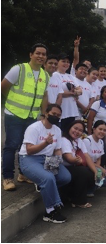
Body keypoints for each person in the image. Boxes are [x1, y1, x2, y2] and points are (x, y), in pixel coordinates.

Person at [2, 43, 50, 190]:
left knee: (26, 147)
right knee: (11, 146)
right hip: (14, 114)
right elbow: (4, 86)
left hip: (31, 117)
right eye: (38, 53)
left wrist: (43, 114)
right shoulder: (19, 69)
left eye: (43, 54)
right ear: (31, 54)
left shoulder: (45, 75)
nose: (41, 56)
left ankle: (23, 174)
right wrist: (12, 103)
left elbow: (44, 96)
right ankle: (7, 178)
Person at [18, 104, 71, 223]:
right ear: (46, 113)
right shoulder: (34, 128)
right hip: (29, 159)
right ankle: (50, 211)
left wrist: (57, 160)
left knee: (65, 177)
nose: (56, 117)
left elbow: (57, 149)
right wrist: (45, 143)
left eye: (58, 116)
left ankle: (41, 183)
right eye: (53, 114)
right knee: (48, 178)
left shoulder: (57, 130)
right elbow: (29, 150)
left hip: (48, 158)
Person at [60, 120, 96, 209]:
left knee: (91, 172)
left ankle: (75, 196)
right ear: (69, 127)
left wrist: (96, 172)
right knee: (83, 172)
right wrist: (76, 160)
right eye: (75, 128)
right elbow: (69, 158)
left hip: (74, 167)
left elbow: (87, 156)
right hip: (64, 167)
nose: (77, 132)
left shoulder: (79, 141)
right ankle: (78, 201)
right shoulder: (64, 140)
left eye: (80, 130)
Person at [83, 120, 106, 197]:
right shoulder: (87, 141)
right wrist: (100, 169)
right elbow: (86, 159)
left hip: (96, 166)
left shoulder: (101, 142)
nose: (102, 132)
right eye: (100, 129)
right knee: (100, 174)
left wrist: (99, 169)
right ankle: (88, 189)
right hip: (86, 166)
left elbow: (99, 158)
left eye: (104, 130)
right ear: (94, 129)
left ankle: (93, 186)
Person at [53, 53, 83, 132]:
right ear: (57, 62)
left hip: (72, 111)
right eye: (63, 61)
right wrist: (73, 93)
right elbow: (57, 92)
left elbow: (80, 91)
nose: (66, 64)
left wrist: (72, 92)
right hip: (61, 112)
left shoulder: (70, 76)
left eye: (68, 62)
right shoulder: (54, 75)